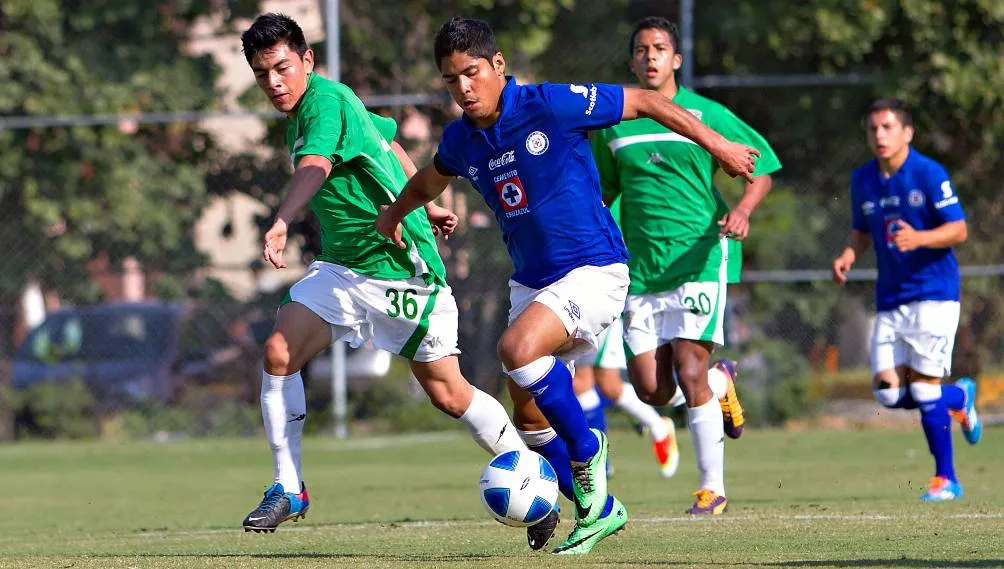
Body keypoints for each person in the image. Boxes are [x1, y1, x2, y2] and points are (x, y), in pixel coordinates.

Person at [376, 16, 759, 554]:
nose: (463, 87)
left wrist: (719, 146)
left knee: (516, 350)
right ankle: (598, 508)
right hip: (532, 283)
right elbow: (429, 179)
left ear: (498, 65)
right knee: (529, 417)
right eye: (450, 79)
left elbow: (646, 101)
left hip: (594, 270)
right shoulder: (462, 138)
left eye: (471, 72)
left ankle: (587, 451)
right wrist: (395, 214)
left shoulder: (550, 104)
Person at [237, 13, 528, 534]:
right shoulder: (314, 109)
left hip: (400, 266)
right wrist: (426, 201)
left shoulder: (324, 102)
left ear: (307, 61)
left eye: (282, 68)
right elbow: (386, 141)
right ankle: (288, 486)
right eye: (262, 74)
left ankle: (529, 469)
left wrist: (282, 219)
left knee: (448, 394)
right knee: (279, 351)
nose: (274, 82)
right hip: (344, 268)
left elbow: (316, 166)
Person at [590, 17, 781, 515]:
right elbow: (603, 190)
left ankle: (711, 488)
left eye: (660, 48)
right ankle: (721, 384)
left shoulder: (705, 114)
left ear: (676, 59)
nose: (650, 56)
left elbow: (760, 168)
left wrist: (743, 210)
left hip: (701, 256)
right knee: (652, 390)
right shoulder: (614, 123)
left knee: (690, 368)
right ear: (631, 62)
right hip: (641, 268)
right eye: (641, 49)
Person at [832, 98, 982, 501]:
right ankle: (960, 397)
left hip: (934, 294)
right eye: (873, 129)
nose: (879, 135)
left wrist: (920, 238)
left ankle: (946, 479)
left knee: (926, 391)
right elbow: (862, 230)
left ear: (907, 133)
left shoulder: (929, 173)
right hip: (891, 298)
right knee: (889, 393)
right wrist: (848, 254)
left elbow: (959, 229)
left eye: (888, 127)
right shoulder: (863, 179)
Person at [571, 197, 681, 480]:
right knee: (607, 384)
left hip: (601, 295)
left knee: (582, 383)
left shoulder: (611, 198)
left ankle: (599, 461)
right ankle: (656, 427)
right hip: (580, 292)